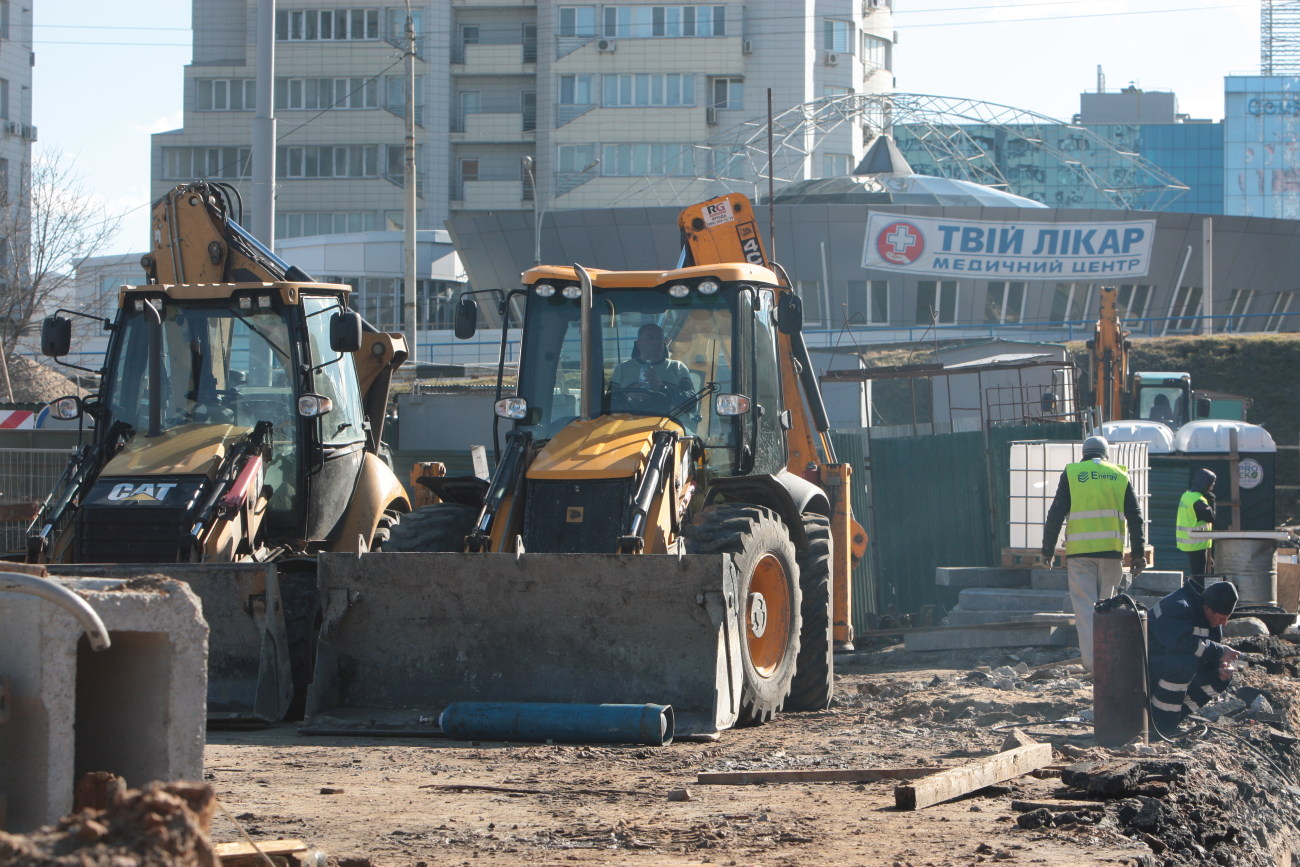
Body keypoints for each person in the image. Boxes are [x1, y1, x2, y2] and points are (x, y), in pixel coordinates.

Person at [1040, 435, 1147, 671]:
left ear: (1084, 453)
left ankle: (1095, 665)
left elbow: (1056, 513)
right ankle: (1111, 661)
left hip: (1080, 555)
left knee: (1087, 611)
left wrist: (1047, 550)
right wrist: (1139, 554)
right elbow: (1135, 516)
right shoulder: (1119, 475)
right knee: (1108, 609)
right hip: (1111, 554)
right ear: (1106, 454)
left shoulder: (1073, 474)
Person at [1147, 579, 1241, 736]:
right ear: (1207, 608)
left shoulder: (1210, 616)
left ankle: (1172, 718)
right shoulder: (1177, 606)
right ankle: (1159, 723)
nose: (1223, 623)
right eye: (1221, 618)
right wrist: (1219, 652)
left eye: (1227, 618)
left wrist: (1220, 671)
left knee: (1221, 677)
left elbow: (1206, 654)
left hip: (1166, 669)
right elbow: (1179, 642)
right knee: (1184, 664)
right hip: (1142, 671)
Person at [611, 323, 695, 397]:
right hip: (633, 415)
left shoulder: (678, 367)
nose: (656, 342)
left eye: (659, 338)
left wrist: (662, 388)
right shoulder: (622, 369)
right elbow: (610, 404)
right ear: (639, 343)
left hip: (670, 415)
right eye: (650, 338)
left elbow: (692, 403)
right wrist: (628, 397)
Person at [1177, 468, 1217, 578]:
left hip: (1189, 541)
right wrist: (1212, 501)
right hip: (1197, 543)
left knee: (1197, 573)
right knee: (1199, 576)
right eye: (1211, 484)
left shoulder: (1186, 495)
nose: (1212, 487)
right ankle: (1197, 594)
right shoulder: (1198, 501)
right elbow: (1211, 518)